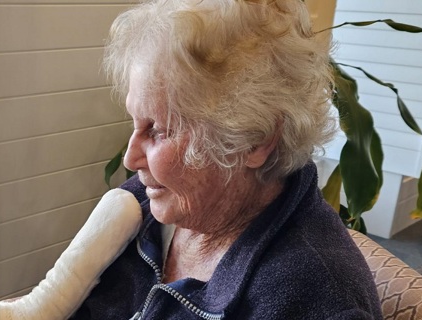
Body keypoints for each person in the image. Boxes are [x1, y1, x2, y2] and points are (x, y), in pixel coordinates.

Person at [72, 0, 382, 318]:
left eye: (159, 130)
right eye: (135, 122)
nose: (131, 159)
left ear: (254, 140)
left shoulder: (315, 299)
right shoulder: (147, 203)